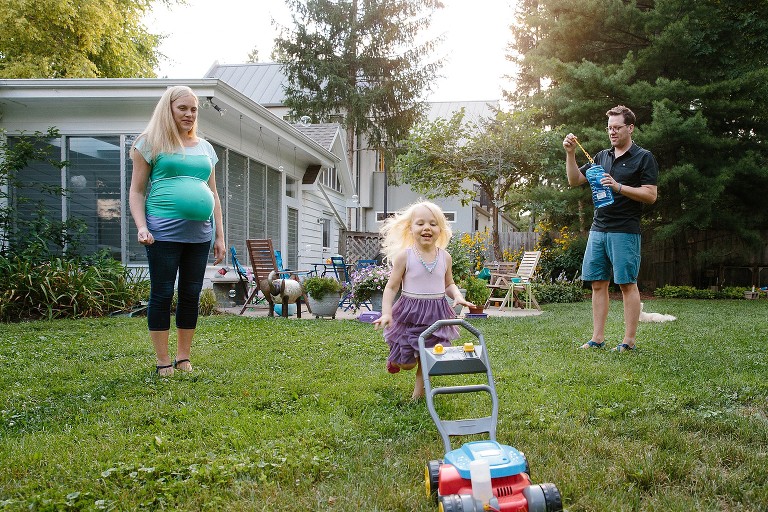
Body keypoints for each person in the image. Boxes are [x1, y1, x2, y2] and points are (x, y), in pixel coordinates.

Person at [129, 86, 225, 376]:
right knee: (161, 293)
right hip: (162, 232)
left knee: (190, 294)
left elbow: (214, 194)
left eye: (193, 109)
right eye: (182, 108)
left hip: (200, 234)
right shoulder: (149, 143)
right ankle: (162, 361)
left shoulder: (205, 148)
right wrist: (141, 226)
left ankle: (183, 358)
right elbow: (136, 191)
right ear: (168, 109)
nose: (189, 114)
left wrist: (220, 235)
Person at [563, 105, 658, 352]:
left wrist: (618, 187)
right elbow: (575, 180)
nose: (612, 132)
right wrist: (571, 154)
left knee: (627, 284)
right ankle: (597, 338)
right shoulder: (602, 156)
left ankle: (629, 341)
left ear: (630, 127)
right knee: (597, 283)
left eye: (617, 127)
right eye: (609, 128)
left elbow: (650, 195)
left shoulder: (643, 157)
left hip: (625, 230)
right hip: (599, 228)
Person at [373, 201, 474, 399]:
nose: (427, 227)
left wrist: (458, 295)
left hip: (436, 313)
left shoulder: (445, 257)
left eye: (433, 224)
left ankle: (418, 396)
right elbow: (392, 287)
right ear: (410, 229)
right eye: (420, 223)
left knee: (429, 357)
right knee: (408, 364)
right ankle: (396, 360)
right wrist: (386, 312)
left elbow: (449, 284)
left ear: (440, 230)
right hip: (410, 313)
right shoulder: (405, 257)